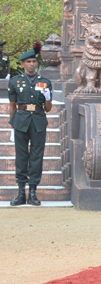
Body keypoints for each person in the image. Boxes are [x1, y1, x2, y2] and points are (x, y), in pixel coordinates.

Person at [8, 44, 52, 206]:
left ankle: (32, 192)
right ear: (22, 64)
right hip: (20, 120)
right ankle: (21, 193)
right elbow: (12, 105)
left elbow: (48, 109)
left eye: (34, 61)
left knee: (36, 156)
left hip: (39, 120)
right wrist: (12, 126)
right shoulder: (15, 82)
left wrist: (47, 98)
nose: (32, 64)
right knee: (21, 157)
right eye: (28, 62)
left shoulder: (45, 82)